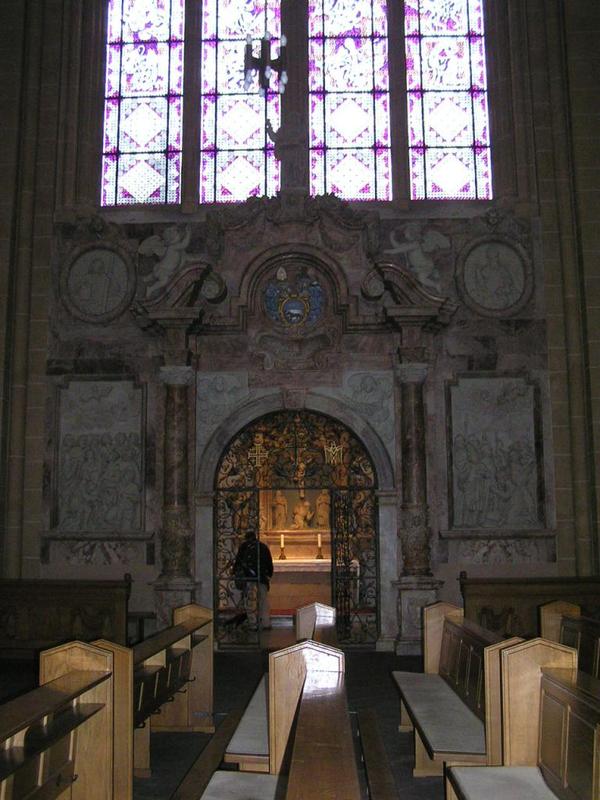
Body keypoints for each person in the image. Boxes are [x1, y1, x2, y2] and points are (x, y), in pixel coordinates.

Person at [232, 530, 274, 630]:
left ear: (246, 538)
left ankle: (253, 623)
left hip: (249, 577)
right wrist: (269, 575)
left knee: (250, 601)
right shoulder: (263, 547)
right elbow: (269, 562)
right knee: (263, 600)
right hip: (262, 577)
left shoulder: (244, 546)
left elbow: (239, 561)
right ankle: (265, 622)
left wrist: (234, 571)